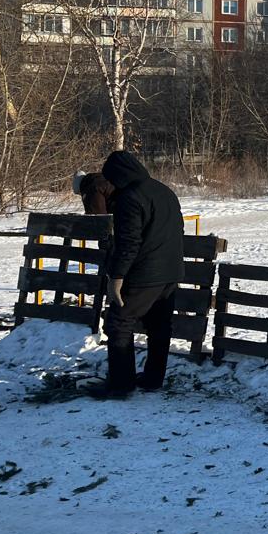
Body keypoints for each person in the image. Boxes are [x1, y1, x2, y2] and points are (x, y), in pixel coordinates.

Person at [85, 151, 185, 400]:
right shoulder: (164, 190)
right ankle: (153, 379)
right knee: (159, 325)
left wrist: (117, 277)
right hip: (171, 272)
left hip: (145, 274)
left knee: (118, 322)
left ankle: (121, 385)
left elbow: (128, 242)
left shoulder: (130, 197)